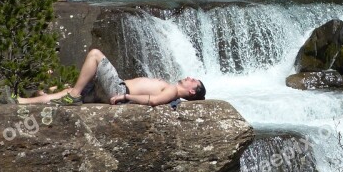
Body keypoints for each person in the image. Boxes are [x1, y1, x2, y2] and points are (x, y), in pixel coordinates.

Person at [17, 49, 206, 106]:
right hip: (113, 90)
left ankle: (73, 95)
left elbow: (153, 101)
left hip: (118, 91)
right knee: (65, 91)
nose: (189, 77)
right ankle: (23, 102)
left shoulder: (173, 91)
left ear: (191, 90)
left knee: (95, 54)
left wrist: (126, 96)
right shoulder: (171, 88)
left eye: (193, 80)